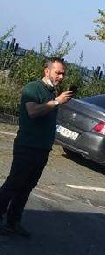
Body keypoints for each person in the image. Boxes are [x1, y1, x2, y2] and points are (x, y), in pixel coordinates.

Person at [0, 57, 75, 238]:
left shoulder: (51, 92)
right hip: (27, 145)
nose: (61, 77)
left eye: (63, 73)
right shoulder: (33, 88)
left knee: (27, 186)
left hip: (42, 148)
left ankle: (13, 221)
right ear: (46, 71)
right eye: (58, 72)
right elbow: (33, 112)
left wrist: (56, 100)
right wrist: (56, 102)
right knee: (14, 183)